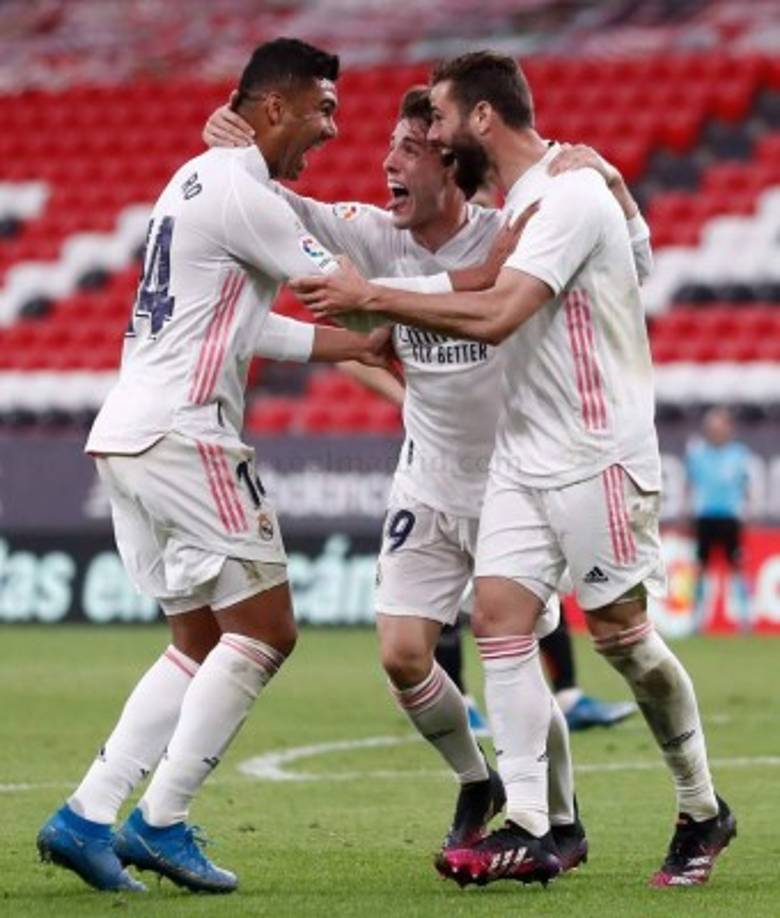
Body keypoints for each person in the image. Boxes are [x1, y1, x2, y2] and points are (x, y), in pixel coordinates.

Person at [292, 50, 736, 890]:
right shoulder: (533, 198)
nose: (437, 131)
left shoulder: (564, 197)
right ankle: (537, 825)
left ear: (483, 120)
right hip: (524, 458)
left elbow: (497, 314)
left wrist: (379, 297)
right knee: (500, 623)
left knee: (624, 643)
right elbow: (630, 265)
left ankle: (703, 806)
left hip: (596, 454)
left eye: (446, 118)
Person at [206, 84, 651, 876]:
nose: (388, 164)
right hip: (426, 480)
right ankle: (477, 782)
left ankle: (556, 813)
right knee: (405, 655)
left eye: (410, 151)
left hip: (514, 479)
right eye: (389, 152)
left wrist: (610, 183)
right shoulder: (373, 233)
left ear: (452, 164)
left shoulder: (509, 235)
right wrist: (234, 147)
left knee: (506, 642)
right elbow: (274, 202)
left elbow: (593, 277)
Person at [36, 38, 398, 895]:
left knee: (200, 640)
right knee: (267, 631)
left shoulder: (195, 180)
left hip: (128, 432)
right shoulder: (247, 192)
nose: (331, 129)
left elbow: (249, 330)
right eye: (323, 109)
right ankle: (159, 822)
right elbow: (346, 285)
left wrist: (369, 347)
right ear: (274, 107)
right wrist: (420, 324)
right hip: (185, 435)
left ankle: (86, 815)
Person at [686, 406, 752, 631]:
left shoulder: (739, 454)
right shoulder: (698, 454)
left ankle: (744, 618)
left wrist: (747, 512)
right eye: (711, 427)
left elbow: (746, 487)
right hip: (705, 517)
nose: (715, 431)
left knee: (737, 567)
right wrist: (688, 513)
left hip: (730, 518)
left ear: (728, 429)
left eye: (719, 427)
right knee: (701, 568)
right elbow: (691, 486)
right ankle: (697, 619)